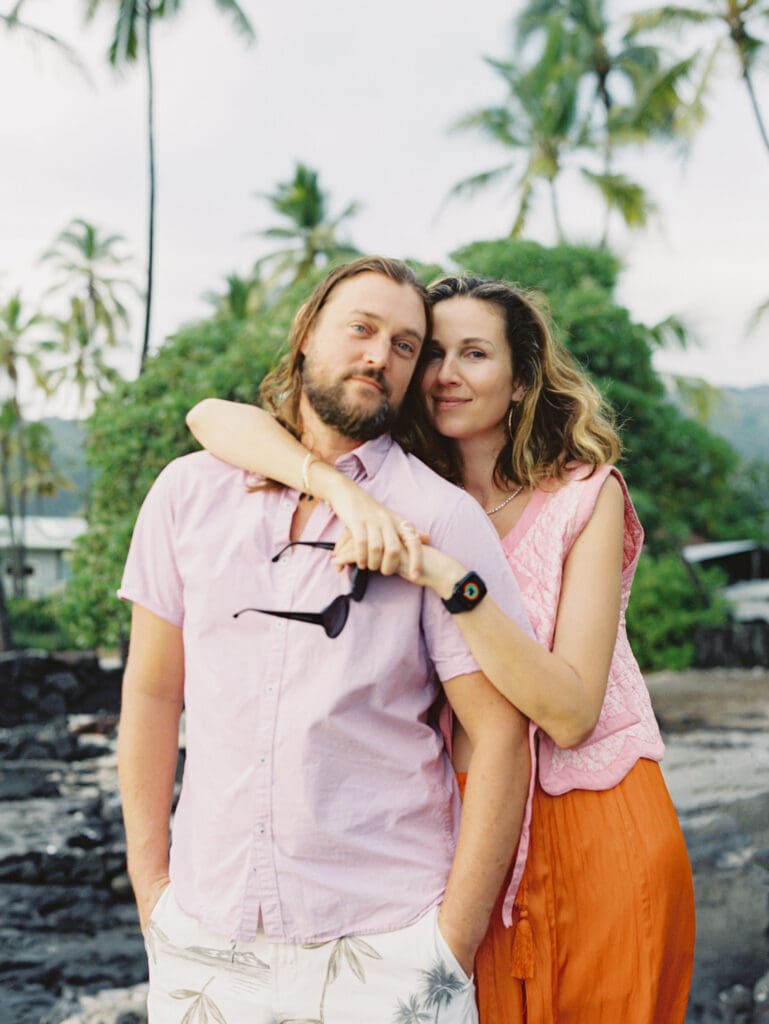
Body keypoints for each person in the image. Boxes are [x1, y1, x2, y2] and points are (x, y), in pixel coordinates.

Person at [188, 274, 696, 1023]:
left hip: (590, 815)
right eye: (430, 353)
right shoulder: (398, 491)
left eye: (474, 353)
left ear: (520, 381)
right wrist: (341, 493)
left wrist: (451, 578)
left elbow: (568, 711)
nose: (445, 374)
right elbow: (209, 416)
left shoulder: (584, 496)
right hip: (462, 828)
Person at [118, 257, 533, 1024]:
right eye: (361, 329)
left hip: (386, 940)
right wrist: (154, 896)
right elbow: (150, 696)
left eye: (406, 346)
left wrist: (448, 945)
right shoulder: (187, 493)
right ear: (307, 335)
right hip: (207, 932)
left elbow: (503, 736)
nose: (380, 355)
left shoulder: (437, 518)